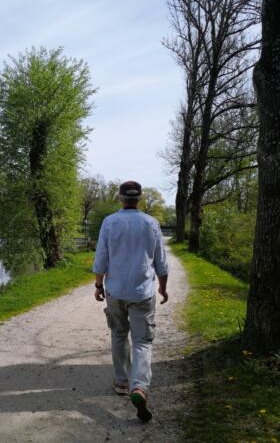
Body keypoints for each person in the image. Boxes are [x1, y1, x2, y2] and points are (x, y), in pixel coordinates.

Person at [92, 180, 168, 423]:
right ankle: (139, 387)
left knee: (118, 335)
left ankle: (122, 382)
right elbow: (161, 261)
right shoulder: (151, 223)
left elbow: (101, 257)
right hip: (142, 292)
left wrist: (98, 285)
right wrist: (163, 287)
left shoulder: (109, 222)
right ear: (140, 198)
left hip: (115, 291)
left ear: (120, 198)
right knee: (142, 341)